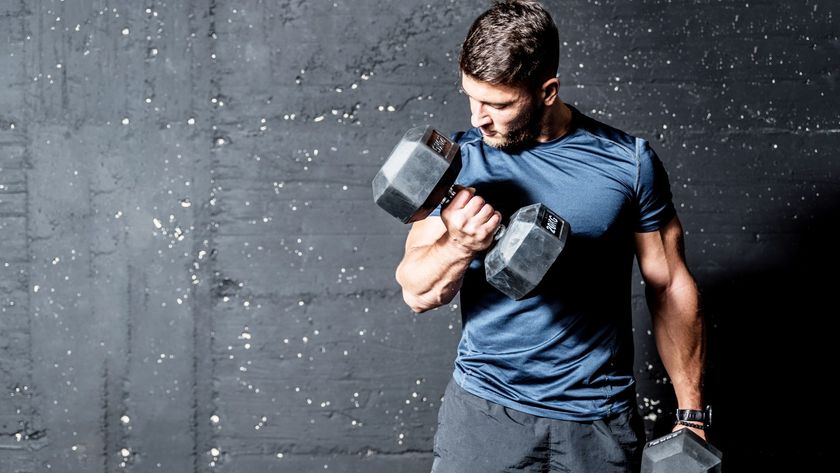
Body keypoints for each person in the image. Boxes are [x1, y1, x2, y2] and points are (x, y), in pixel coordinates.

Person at [393, 1, 707, 472]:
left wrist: (691, 413)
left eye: (498, 104)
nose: (479, 118)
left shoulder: (628, 163)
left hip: (598, 422)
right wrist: (459, 243)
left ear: (547, 90)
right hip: (485, 414)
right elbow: (417, 291)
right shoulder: (460, 164)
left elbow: (668, 284)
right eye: (471, 98)